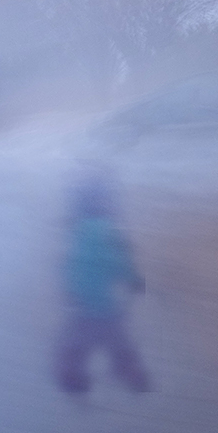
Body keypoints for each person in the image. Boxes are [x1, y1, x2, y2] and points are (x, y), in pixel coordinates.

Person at [55, 169, 152, 397]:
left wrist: (69, 290)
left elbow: (70, 264)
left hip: (80, 296)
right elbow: (118, 261)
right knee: (115, 335)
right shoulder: (109, 231)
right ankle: (130, 374)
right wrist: (135, 281)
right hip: (103, 300)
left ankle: (72, 373)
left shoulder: (77, 232)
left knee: (81, 335)